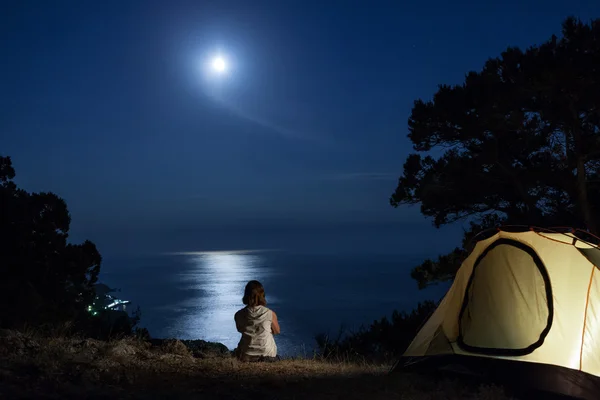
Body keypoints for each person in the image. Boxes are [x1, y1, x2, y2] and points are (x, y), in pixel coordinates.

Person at [233, 280, 280, 361]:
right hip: (267, 355)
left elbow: (240, 329)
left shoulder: (238, 315)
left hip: (245, 355)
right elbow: (276, 331)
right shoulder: (269, 313)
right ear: (262, 295)